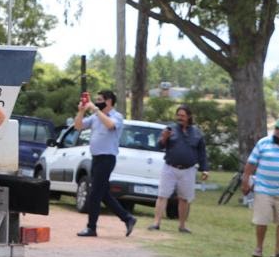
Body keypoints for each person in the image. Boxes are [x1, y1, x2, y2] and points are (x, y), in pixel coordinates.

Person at [74, 89, 136, 237]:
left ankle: (91, 227)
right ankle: (128, 218)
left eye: (99, 100)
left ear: (108, 101)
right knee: (103, 194)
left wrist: (95, 109)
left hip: (107, 158)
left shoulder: (117, 116)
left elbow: (110, 125)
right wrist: (81, 111)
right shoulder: (95, 117)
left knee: (95, 193)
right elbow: (78, 126)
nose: (96, 102)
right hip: (96, 158)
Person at [150, 105, 208, 233]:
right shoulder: (170, 129)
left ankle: (182, 226)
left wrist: (204, 169)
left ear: (189, 117)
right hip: (170, 168)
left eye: (182, 116)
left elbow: (202, 152)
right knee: (162, 195)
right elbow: (159, 146)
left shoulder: (197, 133)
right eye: (178, 115)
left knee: (184, 198)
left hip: (188, 170)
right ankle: (156, 223)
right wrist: (164, 137)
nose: (180, 118)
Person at [241, 118, 279, 257]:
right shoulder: (263, 143)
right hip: (263, 189)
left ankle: (278, 251)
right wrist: (245, 182)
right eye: (277, 128)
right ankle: (258, 248)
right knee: (261, 220)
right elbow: (250, 164)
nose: (277, 132)